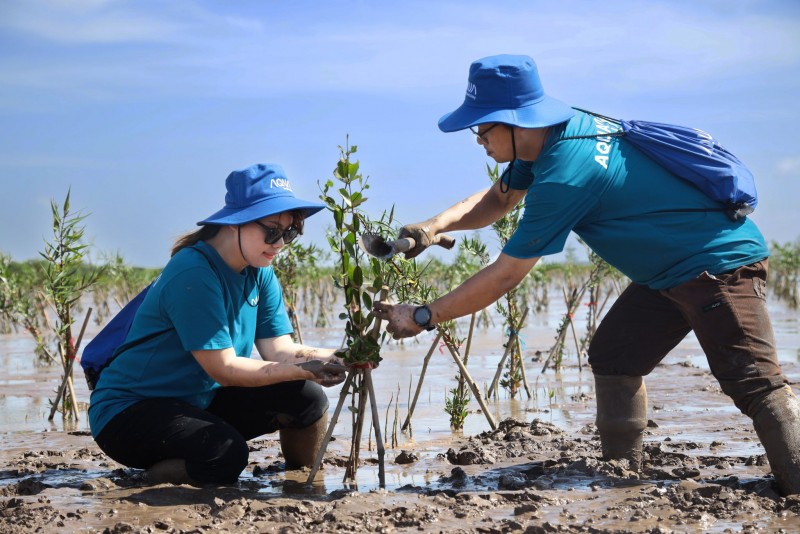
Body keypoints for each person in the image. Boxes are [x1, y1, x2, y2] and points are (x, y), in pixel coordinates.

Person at [373, 54, 800, 496]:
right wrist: (434, 226)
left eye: (482, 127)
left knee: (754, 382)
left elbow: (504, 275)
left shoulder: (565, 176)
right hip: (666, 275)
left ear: (516, 122)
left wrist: (424, 316)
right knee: (615, 357)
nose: (478, 139)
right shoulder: (563, 131)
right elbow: (500, 199)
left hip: (717, 267)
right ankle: (622, 475)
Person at [88, 163, 347, 486]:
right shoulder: (193, 272)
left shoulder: (260, 271)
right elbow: (223, 369)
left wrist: (338, 357)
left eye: (291, 232)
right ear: (233, 224)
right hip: (129, 411)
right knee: (225, 453)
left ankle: (301, 483)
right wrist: (306, 367)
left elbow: (280, 350)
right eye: (272, 230)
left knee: (306, 397)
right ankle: (140, 483)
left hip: (197, 400)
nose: (280, 243)